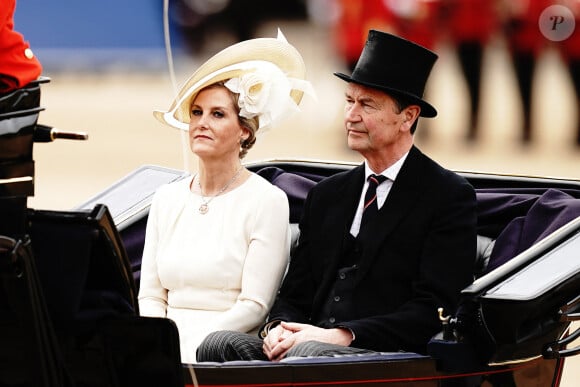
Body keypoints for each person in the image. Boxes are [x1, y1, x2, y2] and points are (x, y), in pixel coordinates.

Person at [196, 30, 478, 362]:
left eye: (366, 105)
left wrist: (342, 335)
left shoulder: (447, 196)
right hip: (309, 346)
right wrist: (279, 329)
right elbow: (295, 293)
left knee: (309, 354)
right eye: (349, 101)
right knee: (217, 345)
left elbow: (434, 309)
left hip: (386, 356)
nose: (351, 116)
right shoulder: (327, 195)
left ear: (408, 117)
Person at [137, 30, 315, 364]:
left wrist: (188, 349)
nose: (201, 123)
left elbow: (254, 306)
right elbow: (150, 295)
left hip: (224, 353)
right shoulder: (166, 198)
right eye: (196, 113)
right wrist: (157, 344)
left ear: (244, 131)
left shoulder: (267, 201)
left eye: (217, 114)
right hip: (161, 348)